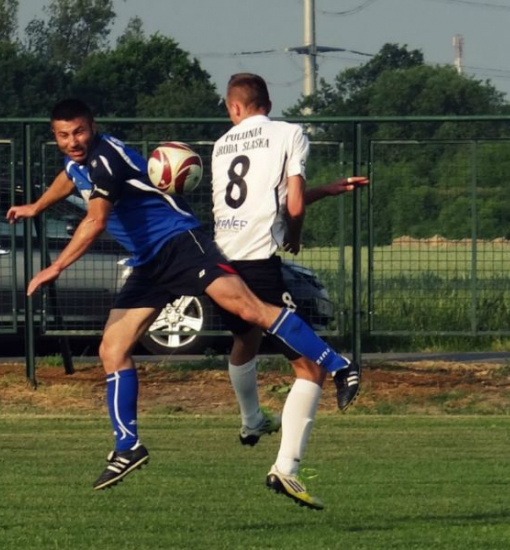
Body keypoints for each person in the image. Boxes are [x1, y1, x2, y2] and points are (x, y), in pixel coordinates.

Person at [6, 98, 355, 494]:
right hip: (149, 262)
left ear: (93, 126)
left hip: (180, 244)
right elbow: (69, 177)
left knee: (251, 309)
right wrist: (37, 206)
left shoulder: (106, 158)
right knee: (112, 348)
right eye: (64, 135)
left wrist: (55, 267)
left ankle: (339, 365)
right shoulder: (78, 161)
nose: (73, 142)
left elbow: (96, 219)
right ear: (55, 136)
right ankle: (128, 446)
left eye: (80, 132)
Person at [211, 73, 369, 510]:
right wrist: (294, 237)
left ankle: (250, 421)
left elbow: (265, 201)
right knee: (309, 368)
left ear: (234, 108)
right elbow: (291, 206)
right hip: (259, 263)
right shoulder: (288, 133)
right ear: (267, 103)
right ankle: (287, 468)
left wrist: (326, 191)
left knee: (245, 339)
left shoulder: (222, 145)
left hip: (222, 264)